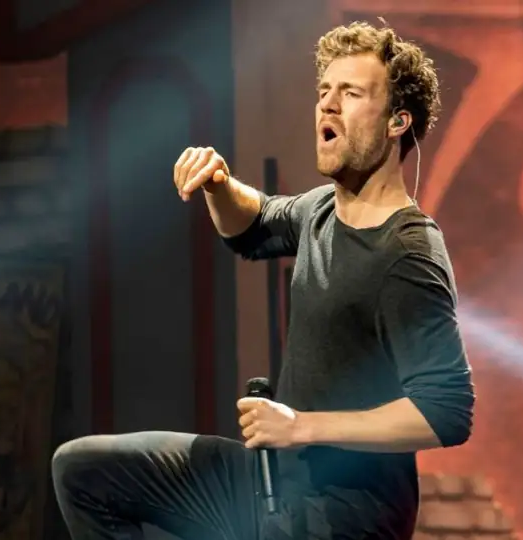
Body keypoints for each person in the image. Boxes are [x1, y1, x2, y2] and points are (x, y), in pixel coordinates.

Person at [51, 21, 475, 540]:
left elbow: (446, 412)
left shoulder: (408, 253)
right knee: (84, 472)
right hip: (270, 482)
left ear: (396, 121)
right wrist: (219, 183)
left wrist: (303, 427)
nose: (327, 105)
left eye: (351, 93)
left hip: (343, 516)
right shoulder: (322, 211)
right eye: (324, 91)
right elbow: (253, 225)